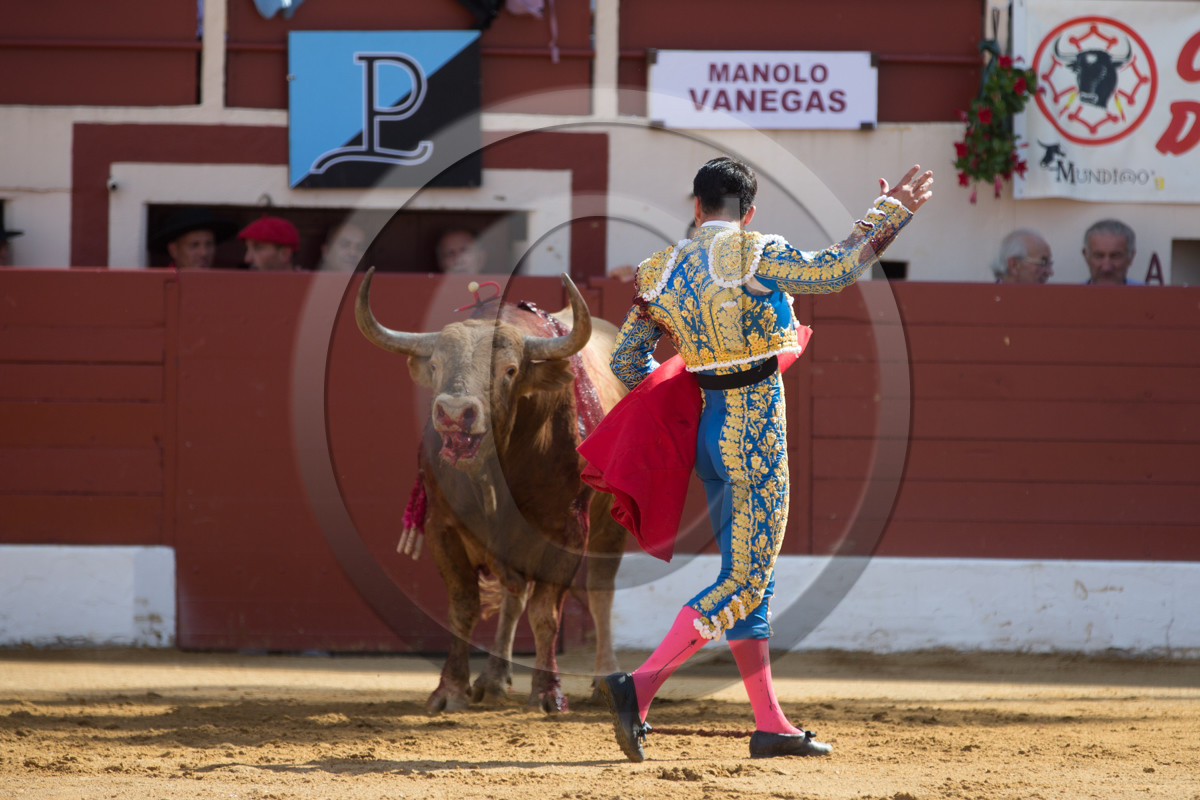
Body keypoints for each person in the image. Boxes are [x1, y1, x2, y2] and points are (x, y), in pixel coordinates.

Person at [597, 157, 933, 763]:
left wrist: (682, 391)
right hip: (753, 433)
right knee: (747, 579)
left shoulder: (660, 270)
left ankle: (770, 724)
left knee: (752, 576)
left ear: (696, 205)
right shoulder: (753, 252)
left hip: (709, 432)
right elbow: (833, 271)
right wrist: (890, 214)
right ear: (748, 212)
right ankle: (639, 686)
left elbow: (625, 362)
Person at [151, 207, 237, 270]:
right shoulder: (158, 286)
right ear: (173, 250)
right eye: (194, 245)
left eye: (209, 244)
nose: (204, 253)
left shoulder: (221, 285)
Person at [1083, 219, 1141, 285]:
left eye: (1115, 256)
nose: (1106, 268)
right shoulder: (1073, 292)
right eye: (1098, 256)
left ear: (1131, 257)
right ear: (1086, 257)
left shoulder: (1147, 291)